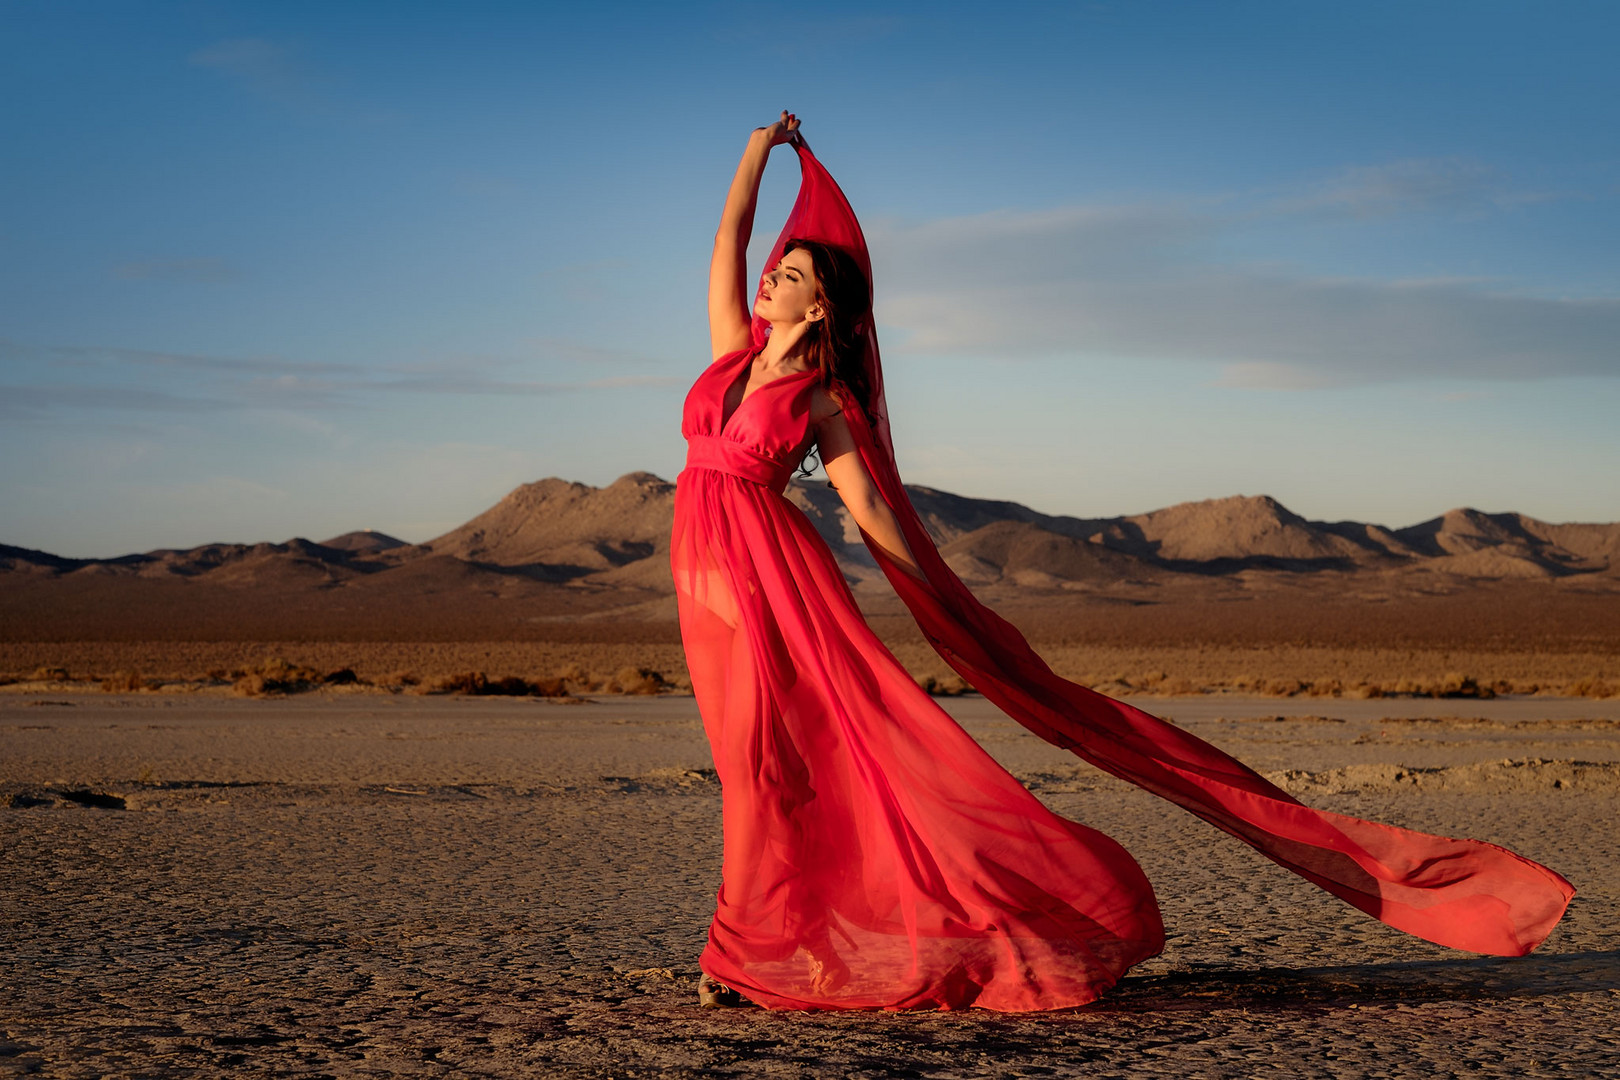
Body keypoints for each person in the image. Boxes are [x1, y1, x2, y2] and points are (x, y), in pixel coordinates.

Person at [671, 112, 1574, 1012]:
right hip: (704, 571)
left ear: (819, 305)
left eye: (785, 277)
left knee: (777, 766)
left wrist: (942, 600)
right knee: (753, 761)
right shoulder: (729, 355)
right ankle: (769, 945)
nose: (763, 282)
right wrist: (760, 150)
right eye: (769, 272)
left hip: (775, 581)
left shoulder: (821, 396)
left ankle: (745, 954)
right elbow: (727, 236)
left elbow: (866, 507)